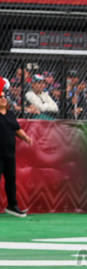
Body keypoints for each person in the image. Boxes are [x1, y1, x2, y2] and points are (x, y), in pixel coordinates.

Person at [0, 88, 34, 218]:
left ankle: (12, 206)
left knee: (11, 180)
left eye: (4, 97)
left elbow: (16, 128)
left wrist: (26, 137)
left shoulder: (9, 114)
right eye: (0, 97)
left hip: (9, 154)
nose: (3, 99)